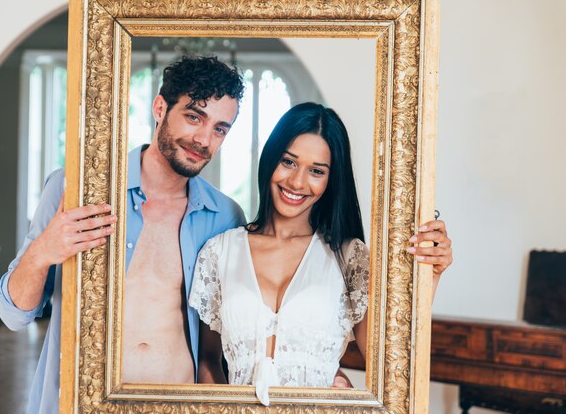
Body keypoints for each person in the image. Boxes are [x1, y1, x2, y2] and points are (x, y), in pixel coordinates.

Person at [0, 56, 246, 413]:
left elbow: (221, 345)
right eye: (194, 116)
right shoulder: (78, 189)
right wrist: (43, 251)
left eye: (220, 128)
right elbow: (13, 315)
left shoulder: (225, 216)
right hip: (83, 404)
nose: (204, 139)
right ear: (160, 107)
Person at [189, 102, 452, 405]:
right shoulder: (219, 252)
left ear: (330, 180)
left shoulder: (348, 257)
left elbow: (386, 358)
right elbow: (208, 359)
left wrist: (429, 275)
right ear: (270, 160)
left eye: (316, 170)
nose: (298, 182)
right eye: (288, 162)